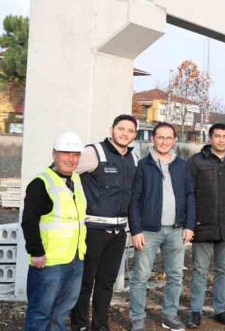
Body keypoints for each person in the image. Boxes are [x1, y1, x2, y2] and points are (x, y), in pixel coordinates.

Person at [71, 115, 139, 331]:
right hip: (93, 229)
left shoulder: (133, 158)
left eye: (130, 130)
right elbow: (64, 173)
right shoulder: (94, 152)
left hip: (119, 231)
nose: (125, 134)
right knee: (85, 282)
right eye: (121, 129)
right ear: (111, 130)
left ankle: (100, 325)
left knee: (106, 282)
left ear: (135, 134)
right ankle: (79, 325)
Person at [128, 122, 195, 331]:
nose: (164, 141)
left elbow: (190, 196)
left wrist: (189, 225)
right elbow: (134, 200)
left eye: (168, 138)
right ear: (153, 139)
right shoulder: (143, 166)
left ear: (174, 140)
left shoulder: (182, 165)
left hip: (176, 230)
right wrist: (136, 230)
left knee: (175, 275)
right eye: (160, 137)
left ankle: (170, 315)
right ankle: (138, 318)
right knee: (140, 276)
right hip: (148, 230)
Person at [22, 132, 87, 331]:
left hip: (75, 259)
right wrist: (37, 252)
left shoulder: (76, 180)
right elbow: (29, 222)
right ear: (54, 155)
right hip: (49, 262)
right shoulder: (41, 184)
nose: (71, 159)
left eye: (75, 154)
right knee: (41, 311)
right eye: (65, 153)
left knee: (62, 311)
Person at [186, 123, 225, 327]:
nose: (221, 140)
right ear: (210, 138)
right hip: (202, 224)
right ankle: (195, 310)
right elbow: (189, 195)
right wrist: (190, 224)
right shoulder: (196, 162)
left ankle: (220, 310)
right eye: (217, 136)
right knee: (200, 270)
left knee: (223, 271)